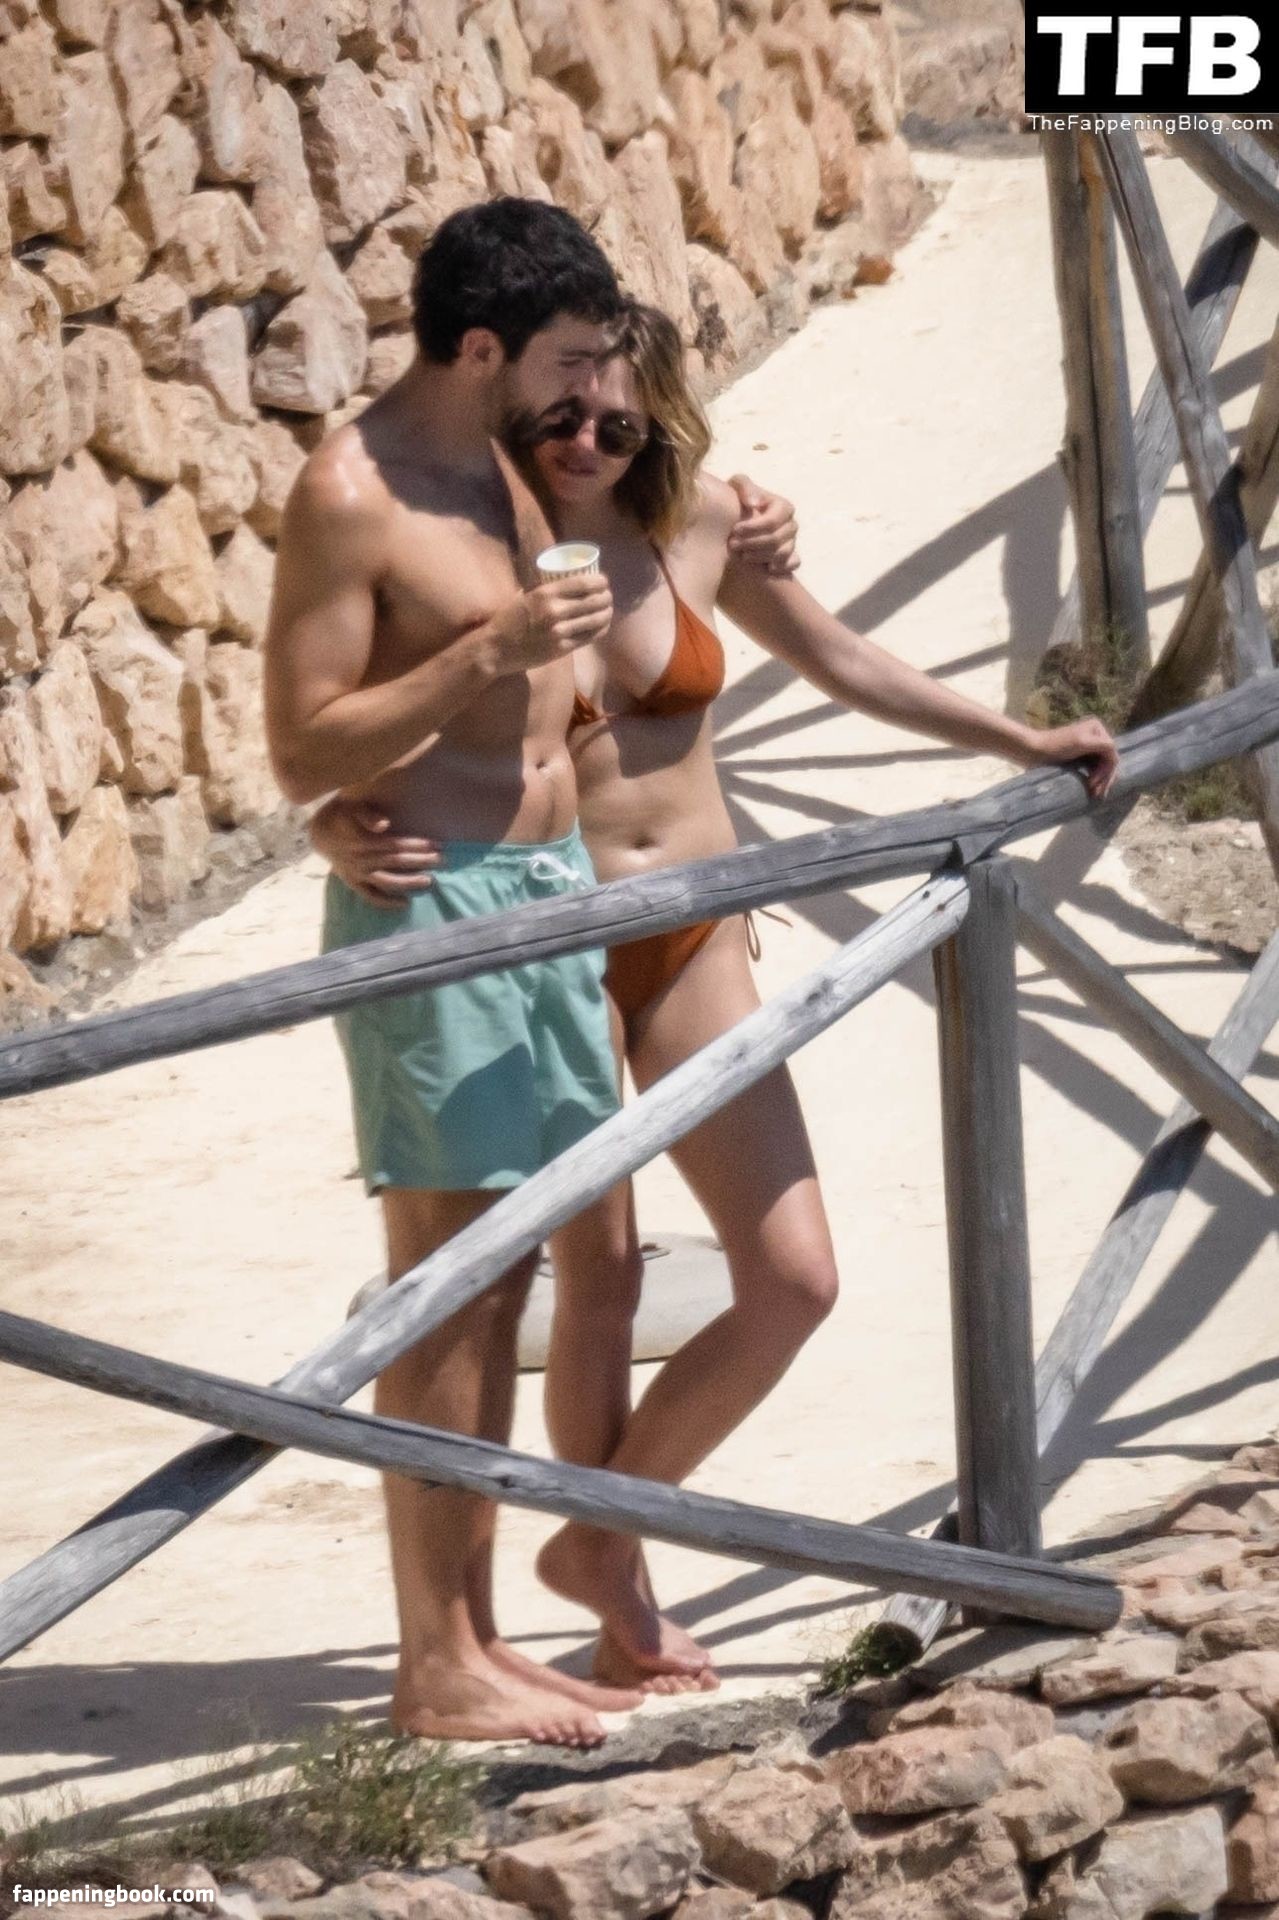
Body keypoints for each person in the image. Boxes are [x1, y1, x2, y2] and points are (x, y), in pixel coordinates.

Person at [312, 301, 1121, 1697]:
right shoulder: (473, 545)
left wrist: (1019, 736)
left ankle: (594, 1537)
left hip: (694, 936)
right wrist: (332, 825)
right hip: (549, 941)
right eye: (563, 413)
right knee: (604, 1282)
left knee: (794, 1277)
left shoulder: (703, 524)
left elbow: (844, 659)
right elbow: (361, 718)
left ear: (659, 422)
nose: (586, 440)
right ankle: (616, 1584)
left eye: (617, 422)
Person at [264, 202, 796, 1747]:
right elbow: (300, 743)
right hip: (439, 917)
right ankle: (436, 1662)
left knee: (515, 1289)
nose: (589, 392)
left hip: (552, 900)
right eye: (566, 359)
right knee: (448, 1289)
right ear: (484, 348)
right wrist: (483, 661)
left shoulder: (505, 462)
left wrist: (749, 519)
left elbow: (646, 525)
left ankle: (481, 1639)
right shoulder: (352, 492)